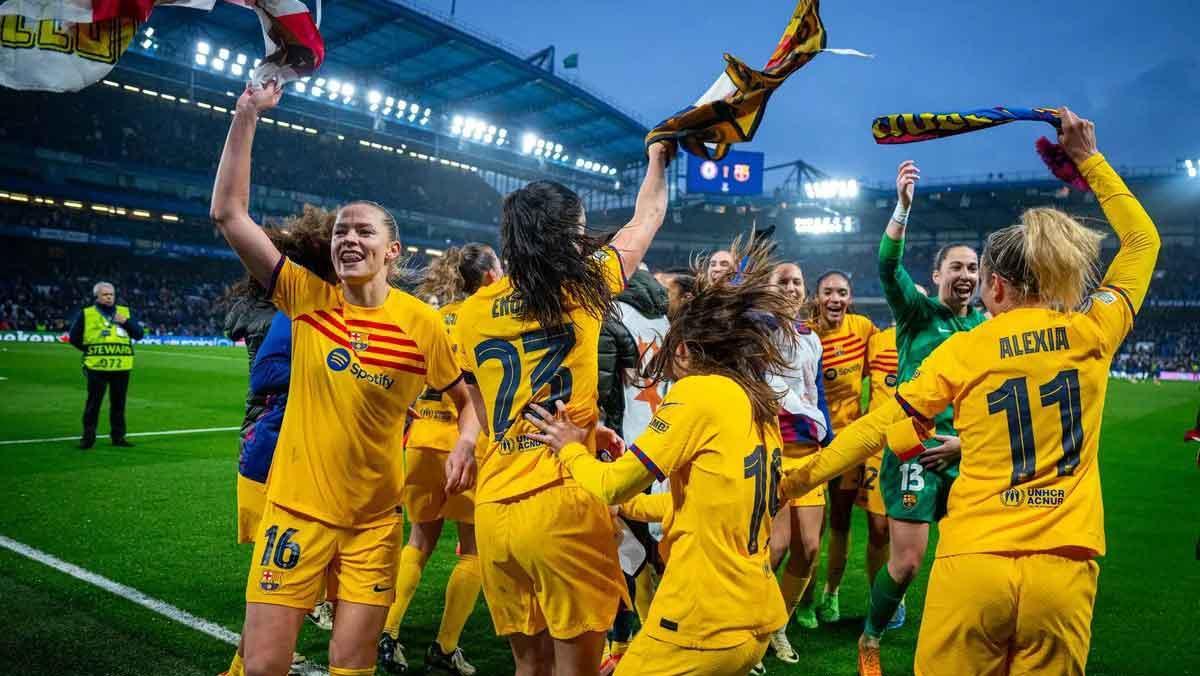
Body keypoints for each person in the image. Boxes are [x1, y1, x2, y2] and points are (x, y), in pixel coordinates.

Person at [782, 108, 1158, 676]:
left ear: (996, 286)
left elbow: (875, 429)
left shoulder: (964, 350)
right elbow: (1141, 240)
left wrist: (793, 479)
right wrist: (1089, 160)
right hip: (1065, 566)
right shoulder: (1093, 330)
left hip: (975, 562)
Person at [210, 80, 482, 676]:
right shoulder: (306, 298)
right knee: (261, 665)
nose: (348, 238)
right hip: (294, 513)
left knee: (353, 664)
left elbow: (468, 400)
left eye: (363, 232)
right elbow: (228, 214)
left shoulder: (423, 324)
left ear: (393, 250)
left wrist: (467, 437)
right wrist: (246, 114)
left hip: (374, 524)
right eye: (340, 232)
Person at [453, 140, 674, 676]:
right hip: (562, 504)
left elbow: (484, 410)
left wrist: (585, 429)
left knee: (530, 669)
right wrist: (657, 158)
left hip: (496, 511)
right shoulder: (588, 284)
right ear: (571, 234)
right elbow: (648, 214)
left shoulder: (472, 312)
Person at [525, 238, 794, 676]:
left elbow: (612, 482)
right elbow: (693, 503)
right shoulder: (754, 400)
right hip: (753, 622)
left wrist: (571, 449)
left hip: (701, 621)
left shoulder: (697, 391)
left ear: (684, 348)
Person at [855, 160, 989, 674]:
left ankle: (964, 639)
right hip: (916, 447)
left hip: (971, 452)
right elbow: (888, 267)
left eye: (973, 268)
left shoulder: (986, 325)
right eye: (956, 267)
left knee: (970, 558)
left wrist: (967, 444)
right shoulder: (917, 314)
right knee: (908, 561)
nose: (965, 275)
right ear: (937, 276)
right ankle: (870, 638)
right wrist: (903, 208)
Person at [379, 244, 504, 676]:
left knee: (419, 542)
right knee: (473, 552)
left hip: (422, 441)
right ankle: (445, 648)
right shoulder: (490, 317)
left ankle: (387, 632)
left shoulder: (434, 316)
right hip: (467, 447)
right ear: (489, 275)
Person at [596, 263, 671, 673]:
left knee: (622, 548)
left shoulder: (607, 314)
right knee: (660, 550)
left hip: (624, 446)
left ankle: (624, 644)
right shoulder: (666, 314)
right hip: (666, 443)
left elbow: (600, 387)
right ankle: (663, 636)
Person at [764, 261, 832, 665]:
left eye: (796, 282)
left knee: (808, 549)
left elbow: (816, 391)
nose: (791, 288)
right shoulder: (756, 329)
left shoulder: (811, 338)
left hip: (809, 451)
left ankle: (779, 624)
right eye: (782, 281)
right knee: (776, 548)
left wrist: (828, 436)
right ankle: (754, 626)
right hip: (772, 451)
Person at [806, 270, 877, 625]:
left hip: (849, 445)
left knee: (841, 521)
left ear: (850, 297)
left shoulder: (864, 329)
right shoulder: (804, 331)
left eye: (842, 292)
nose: (835, 299)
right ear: (816, 296)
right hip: (812, 444)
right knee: (811, 528)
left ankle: (830, 595)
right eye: (828, 292)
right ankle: (803, 598)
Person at [69, 280, 144, 449]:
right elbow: (74, 338)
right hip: (97, 367)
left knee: (119, 404)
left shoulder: (125, 312)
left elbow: (139, 334)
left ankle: (118, 437)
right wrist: (89, 350)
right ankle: (88, 438)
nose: (109, 297)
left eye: (112, 294)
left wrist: (125, 321)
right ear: (97, 296)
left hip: (121, 366)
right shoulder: (87, 313)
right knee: (93, 404)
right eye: (105, 294)